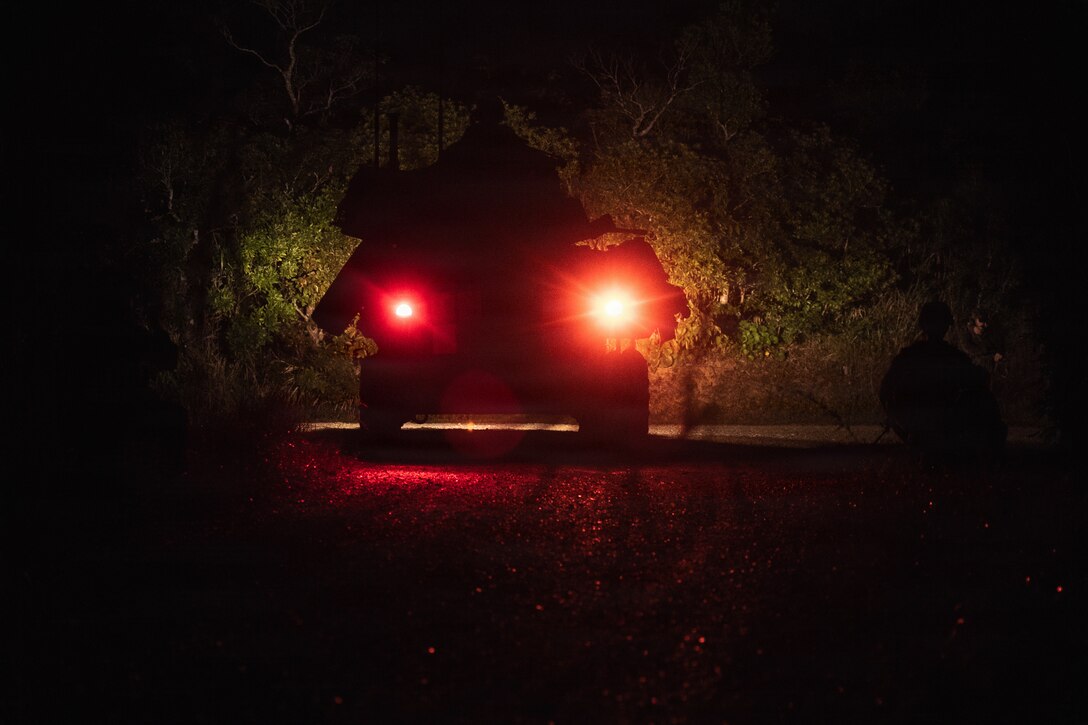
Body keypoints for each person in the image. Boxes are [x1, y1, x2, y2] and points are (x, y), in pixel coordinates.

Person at [879, 300, 1007, 458]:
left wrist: (902, 425)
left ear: (922, 324)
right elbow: (979, 381)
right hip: (941, 428)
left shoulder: (909, 356)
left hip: (923, 428)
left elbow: (885, 391)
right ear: (947, 327)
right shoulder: (953, 357)